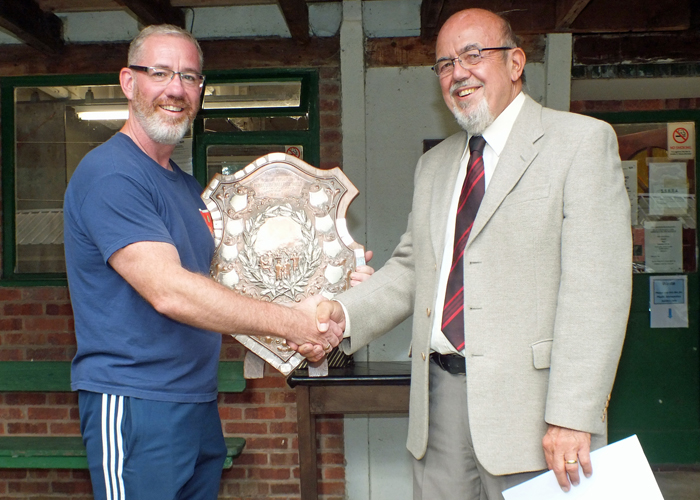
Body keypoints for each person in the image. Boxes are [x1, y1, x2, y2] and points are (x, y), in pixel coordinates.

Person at [316, 8, 632, 500]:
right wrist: (339, 314)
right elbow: (410, 269)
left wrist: (571, 417)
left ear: (515, 63)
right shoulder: (435, 165)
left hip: (537, 414)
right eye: (444, 64)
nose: (458, 72)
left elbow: (598, 292)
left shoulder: (580, 143)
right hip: (438, 408)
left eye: (472, 55)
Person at [63, 24, 350, 500]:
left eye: (190, 77)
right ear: (128, 82)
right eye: (160, 73)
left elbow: (232, 287)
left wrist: (330, 288)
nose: (176, 88)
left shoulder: (181, 186)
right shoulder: (110, 174)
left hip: (195, 402)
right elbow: (170, 291)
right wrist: (294, 325)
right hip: (137, 405)